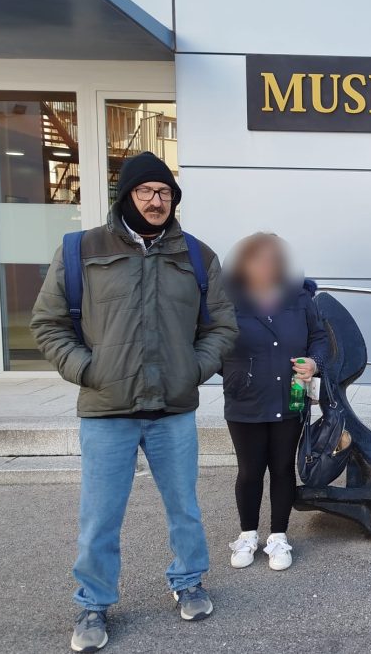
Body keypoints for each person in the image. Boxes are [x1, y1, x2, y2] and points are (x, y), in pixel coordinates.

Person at [31, 151, 237, 652]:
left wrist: (192, 368)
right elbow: (48, 323)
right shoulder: (81, 250)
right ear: (127, 196)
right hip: (108, 409)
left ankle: (188, 581)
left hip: (173, 411)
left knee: (185, 508)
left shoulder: (196, 255)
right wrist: (87, 369)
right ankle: (93, 603)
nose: (156, 200)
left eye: (165, 193)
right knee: (100, 516)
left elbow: (222, 327)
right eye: (146, 191)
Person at [222, 233, 328, 572]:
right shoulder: (228, 301)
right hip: (246, 399)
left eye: (274, 259)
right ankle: (248, 534)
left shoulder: (300, 298)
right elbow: (209, 342)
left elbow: (320, 338)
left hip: (290, 396)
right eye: (259, 258)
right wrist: (233, 374)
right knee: (250, 471)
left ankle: (278, 536)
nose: (267, 265)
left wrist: (315, 363)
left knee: (282, 469)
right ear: (245, 263)